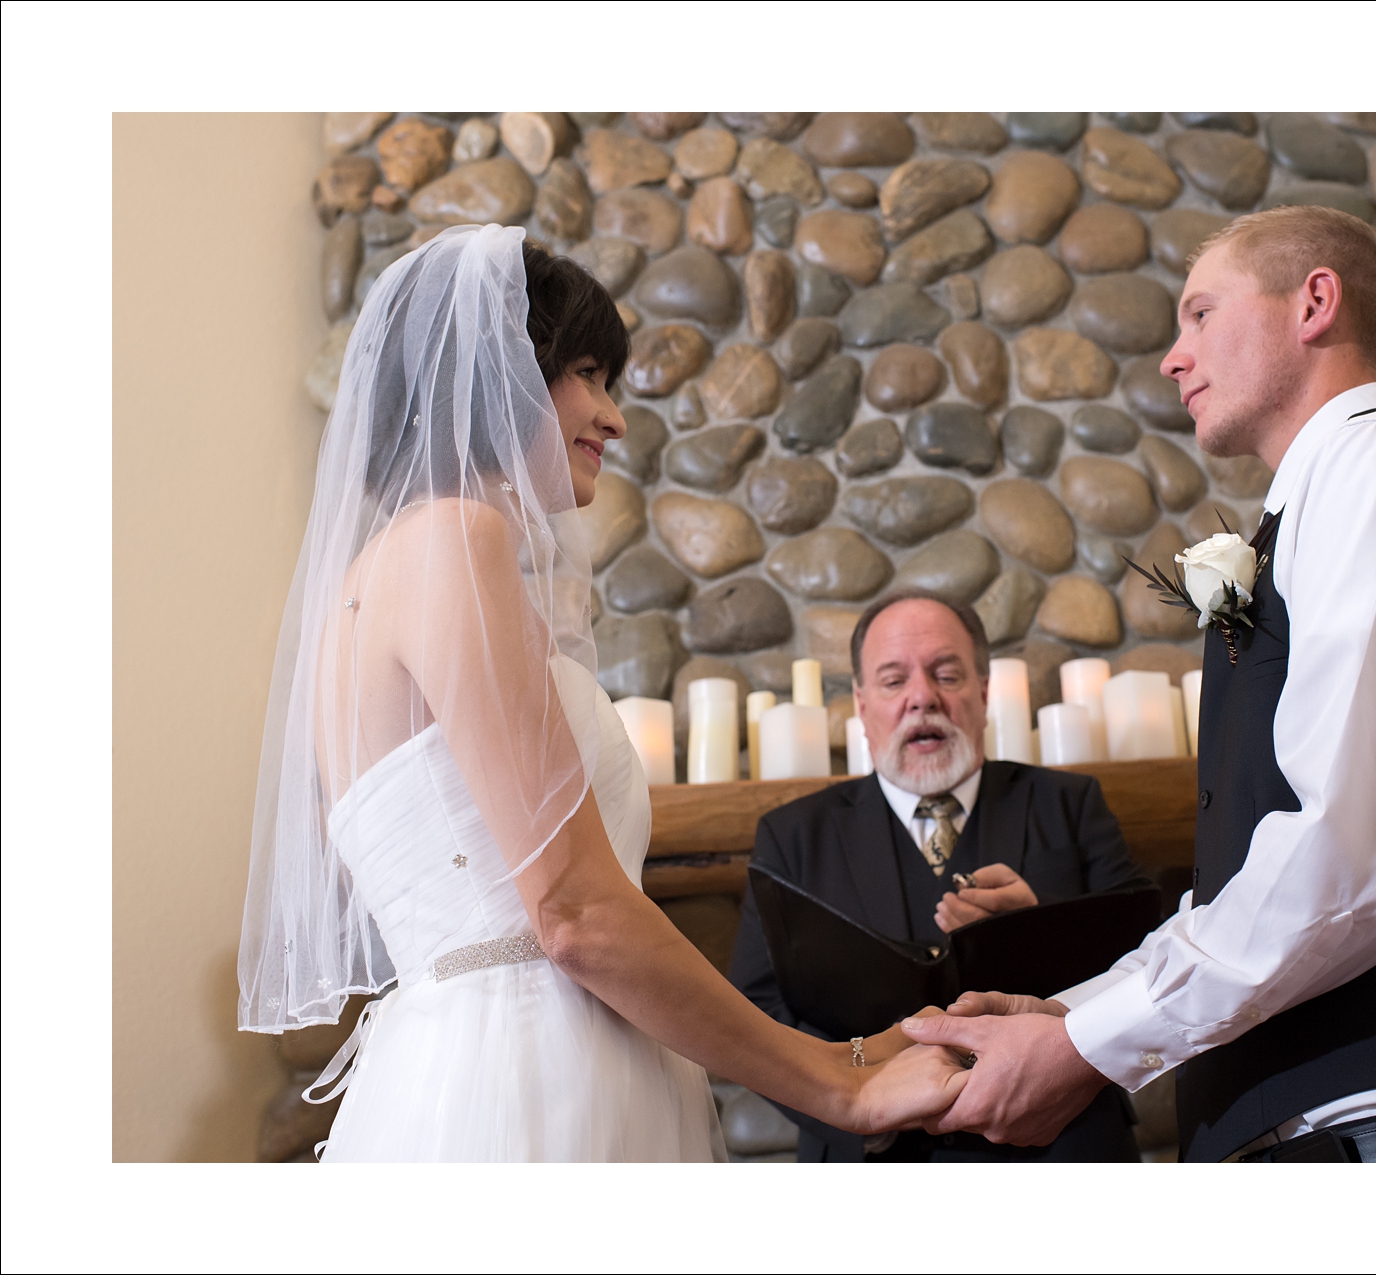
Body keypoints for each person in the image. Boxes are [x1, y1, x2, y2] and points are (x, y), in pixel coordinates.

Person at [237, 225, 966, 1161]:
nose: (613, 416)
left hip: (471, 1060)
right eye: (585, 372)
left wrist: (861, 1048)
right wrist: (840, 1081)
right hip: (526, 1083)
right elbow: (576, 914)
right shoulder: (451, 539)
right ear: (497, 371)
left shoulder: (368, 581)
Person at [905, 205, 1376, 1163]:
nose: (1170, 357)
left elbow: (1350, 855)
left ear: (1315, 302)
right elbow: (1255, 879)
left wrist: (1085, 1050)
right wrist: (1068, 1011)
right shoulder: (1326, 500)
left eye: (1199, 313)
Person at [728, 591, 1150, 1162]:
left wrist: (1041, 923)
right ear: (861, 704)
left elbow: (1145, 965)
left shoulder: (1071, 805)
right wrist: (857, 1109)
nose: (922, 698)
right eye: (893, 680)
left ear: (982, 692)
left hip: (1064, 1145)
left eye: (946, 675)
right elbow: (755, 1014)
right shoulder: (792, 835)